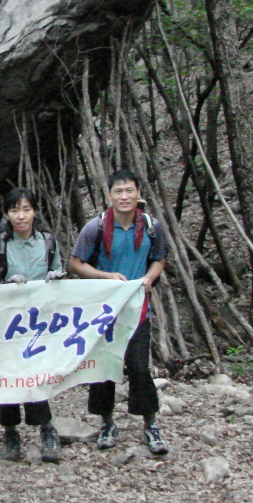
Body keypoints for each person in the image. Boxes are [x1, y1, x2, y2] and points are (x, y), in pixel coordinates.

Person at [69, 169, 169, 456]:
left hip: (138, 310)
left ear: (139, 194)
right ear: (109, 195)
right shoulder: (96, 228)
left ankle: (150, 423)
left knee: (138, 366)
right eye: (118, 192)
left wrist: (149, 278)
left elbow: (159, 259)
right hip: (103, 312)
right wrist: (105, 276)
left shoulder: (151, 227)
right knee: (104, 368)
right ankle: (107, 422)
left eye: (129, 191)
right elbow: (76, 263)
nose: (124, 197)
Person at [0, 187, 66, 464]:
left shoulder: (48, 243)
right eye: (15, 210)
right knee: (8, 376)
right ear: (6, 214)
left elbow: (57, 273)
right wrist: (8, 287)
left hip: (39, 325)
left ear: (35, 211)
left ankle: (46, 428)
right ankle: (10, 432)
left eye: (26, 209)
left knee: (36, 375)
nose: (21, 216)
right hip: (9, 326)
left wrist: (56, 278)